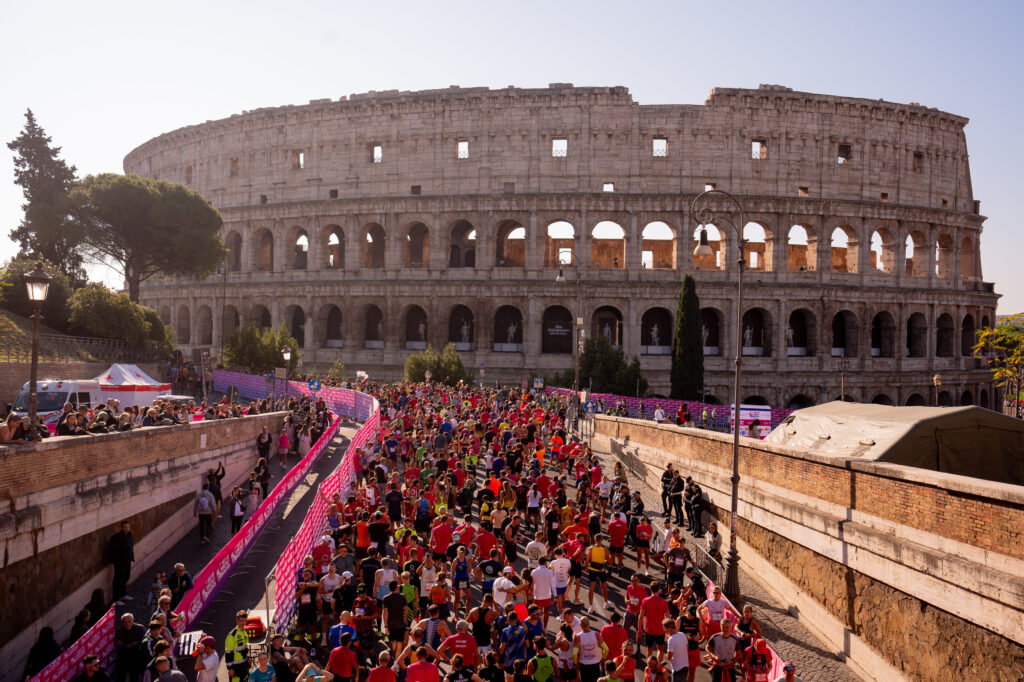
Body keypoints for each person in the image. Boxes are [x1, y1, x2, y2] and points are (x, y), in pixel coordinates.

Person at [115, 613, 146, 682]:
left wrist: (125, 645)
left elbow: (140, 643)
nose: (127, 624)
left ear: (133, 620)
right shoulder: (119, 631)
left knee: (134, 678)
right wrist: (131, 645)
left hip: (136, 659)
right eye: (125, 622)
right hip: (123, 659)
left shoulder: (140, 628)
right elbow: (118, 647)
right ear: (122, 622)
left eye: (129, 621)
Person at [109, 520, 135, 601]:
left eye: (127, 527)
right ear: (121, 528)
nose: (126, 528)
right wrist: (116, 561)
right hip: (120, 562)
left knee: (126, 577)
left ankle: (123, 594)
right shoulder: (116, 537)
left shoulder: (129, 535)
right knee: (117, 579)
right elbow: (113, 550)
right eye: (124, 527)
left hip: (127, 561)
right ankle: (116, 599)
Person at [225, 610, 252, 682]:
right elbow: (228, 653)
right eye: (241, 621)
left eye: (245, 621)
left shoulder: (245, 632)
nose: (243, 623)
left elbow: (245, 649)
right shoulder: (232, 635)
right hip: (235, 668)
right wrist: (230, 668)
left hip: (244, 665)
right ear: (236, 620)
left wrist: (248, 659)